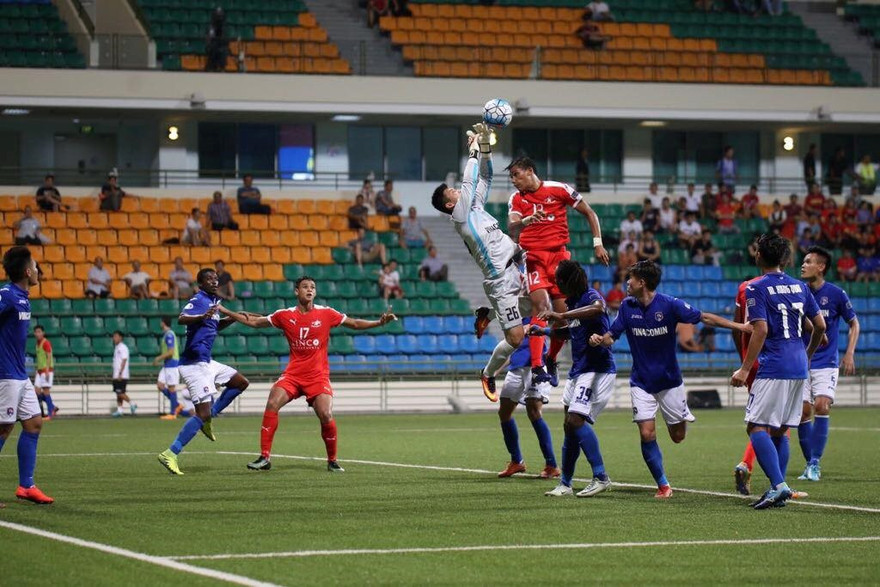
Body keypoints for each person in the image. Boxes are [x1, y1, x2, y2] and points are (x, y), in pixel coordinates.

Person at [590, 260, 749, 498]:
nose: (627, 282)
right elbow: (612, 336)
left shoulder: (670, 305)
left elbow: (704, 318)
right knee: (646, 433)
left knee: (677, 437)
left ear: (641, 282)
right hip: (641, 381)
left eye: (630, 278)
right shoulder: (626, 306)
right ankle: (663, 485)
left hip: (669, 382)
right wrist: (600, 340)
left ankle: (677, 416)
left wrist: (739, 326)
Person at [220, 275, 397, 472]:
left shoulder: (327, 313)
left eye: (312, 286)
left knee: (326, 414)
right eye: (305, 287)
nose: (309, 289)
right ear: (297, 291)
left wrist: (379, 322)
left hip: (317, 376)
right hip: (293, 375)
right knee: (272, 403)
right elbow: (255, 322)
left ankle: (332, 460)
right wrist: (226, 311)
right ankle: (264, 457)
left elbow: (354, 324)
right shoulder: (284, 315)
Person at [433, 123, 528, 401]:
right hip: (501, 280)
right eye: (452, 192)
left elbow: (484, 177)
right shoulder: (461, 217)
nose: (457, 191)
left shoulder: (475, 208)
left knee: (541, 303)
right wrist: (473, 149)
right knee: (515, 339)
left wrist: (485, 147)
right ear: (450, 204)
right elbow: (470, 179)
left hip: (517, 264)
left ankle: (488, 313)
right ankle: (487, 373)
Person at [730, 233, 825, 509]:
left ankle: (779, 486)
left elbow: (760, 329)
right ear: (785, 258)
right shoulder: (800, 287)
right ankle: (778, 486)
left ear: (759, 255)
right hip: (798, 366)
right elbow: (819, 326)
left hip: (773, 365)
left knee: (755, 426)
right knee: (781, 429)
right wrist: (807, 354)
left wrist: (745, 369)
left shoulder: (755, 288)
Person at [506, 154, 610, 387]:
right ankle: (536, 366)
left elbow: (589, 212)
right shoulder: (517, 198)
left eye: (516, 175)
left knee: (562, 319)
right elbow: (511, 226)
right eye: (512, 177)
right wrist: (527, 220)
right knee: (541, 308)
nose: (514, 181)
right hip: (533, 258)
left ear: (530, 171)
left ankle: (551, 359)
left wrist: (597, 243)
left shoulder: (558, 189)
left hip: (559, 259)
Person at [157, 268, 251, 475]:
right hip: (193, 365)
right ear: (200, 284)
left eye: (216, 278)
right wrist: (202, 315)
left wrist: (231, 319)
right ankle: (170, 454)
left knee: (240, 382)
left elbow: (213, 326)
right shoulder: (199, 299)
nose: (214, 281)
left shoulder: (214, 304)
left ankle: (210, 417)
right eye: (209, 279)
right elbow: (182, 318)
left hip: (207, 362)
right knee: (202, 413)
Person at [536, 261, 614, 498]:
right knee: (569, 427)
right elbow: (572, 331)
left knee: (575, 422)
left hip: (596, 370)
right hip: (579, 370)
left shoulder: (591, 296)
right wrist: (545, 332)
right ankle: (566, 483)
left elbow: (598, 309)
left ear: (569, 280)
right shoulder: (572, 303)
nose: (556, 283)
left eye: (559, 279)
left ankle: (601, 477)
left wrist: (561, 314)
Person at [795, 247, 859, 483]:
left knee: (822, 405)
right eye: (803, 261)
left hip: (826, 362)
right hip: (802, 360)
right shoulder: (798, 292)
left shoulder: (836, 293)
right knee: (802, 412)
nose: (803, 265)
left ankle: (814, 464)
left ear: (821, 267)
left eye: (808, 261)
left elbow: (854, 324)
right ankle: (809, 462)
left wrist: (849, 353)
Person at [0, 246, 53, 505]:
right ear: (27, 270)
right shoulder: (7, 295)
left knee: (34, 423)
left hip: (19, 374)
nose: (38, 269)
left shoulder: (22, 296)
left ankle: (26, 486)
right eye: (35, 264)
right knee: (3, 428)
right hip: (5, 375)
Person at [492, 318, 559, 480]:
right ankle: (517, 461)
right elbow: (510, 350)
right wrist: (493, 372)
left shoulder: (537, 312)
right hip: (516, 369)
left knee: (534, 411)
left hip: (535, 367)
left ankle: (551, 465)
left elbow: (551, 323)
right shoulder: (514, 319)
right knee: (504, 413)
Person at [154, 317, 181, 420]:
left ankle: (173, 413)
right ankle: (177, 405)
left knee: (171, 388)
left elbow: (170, 352)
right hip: (167, 365)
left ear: (163, 323)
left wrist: (158, 358)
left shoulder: (169, 334)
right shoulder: (167, 334)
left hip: (172, 364)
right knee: (160, 385)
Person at [32, 325, 58, 420]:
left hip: (46, 370)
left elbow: (49, 355)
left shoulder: (45, 343)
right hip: (39, 371)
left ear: (43, 333)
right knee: (36, 392)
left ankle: (50, 414)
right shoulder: (37, 343)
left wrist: (47, 369)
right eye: (36, 332)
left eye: (39, 332)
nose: (37, 334)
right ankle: (52, 407)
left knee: (46, 391)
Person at [111, 331, 136, 418]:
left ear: (121, 338)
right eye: (114, 337)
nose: (114, 338)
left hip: (121, 374)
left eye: (116, 336)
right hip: (116, 374)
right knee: (118, 393)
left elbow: (124, 360)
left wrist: (120, 373)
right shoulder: (117, 347)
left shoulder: (123, 347)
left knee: (120, 392)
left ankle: (132, 403)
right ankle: (120, 410)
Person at [205, 6, 229, 72]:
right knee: (213, 49)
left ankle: (221, 68)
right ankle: (211, 68)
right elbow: (208, 39)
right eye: (217, 15)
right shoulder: (211, 27)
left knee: (223, 50)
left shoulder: (224, 28)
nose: (219, 18)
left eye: (220, 15)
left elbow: (225, 40)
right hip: (213, 48)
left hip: (221, 47)